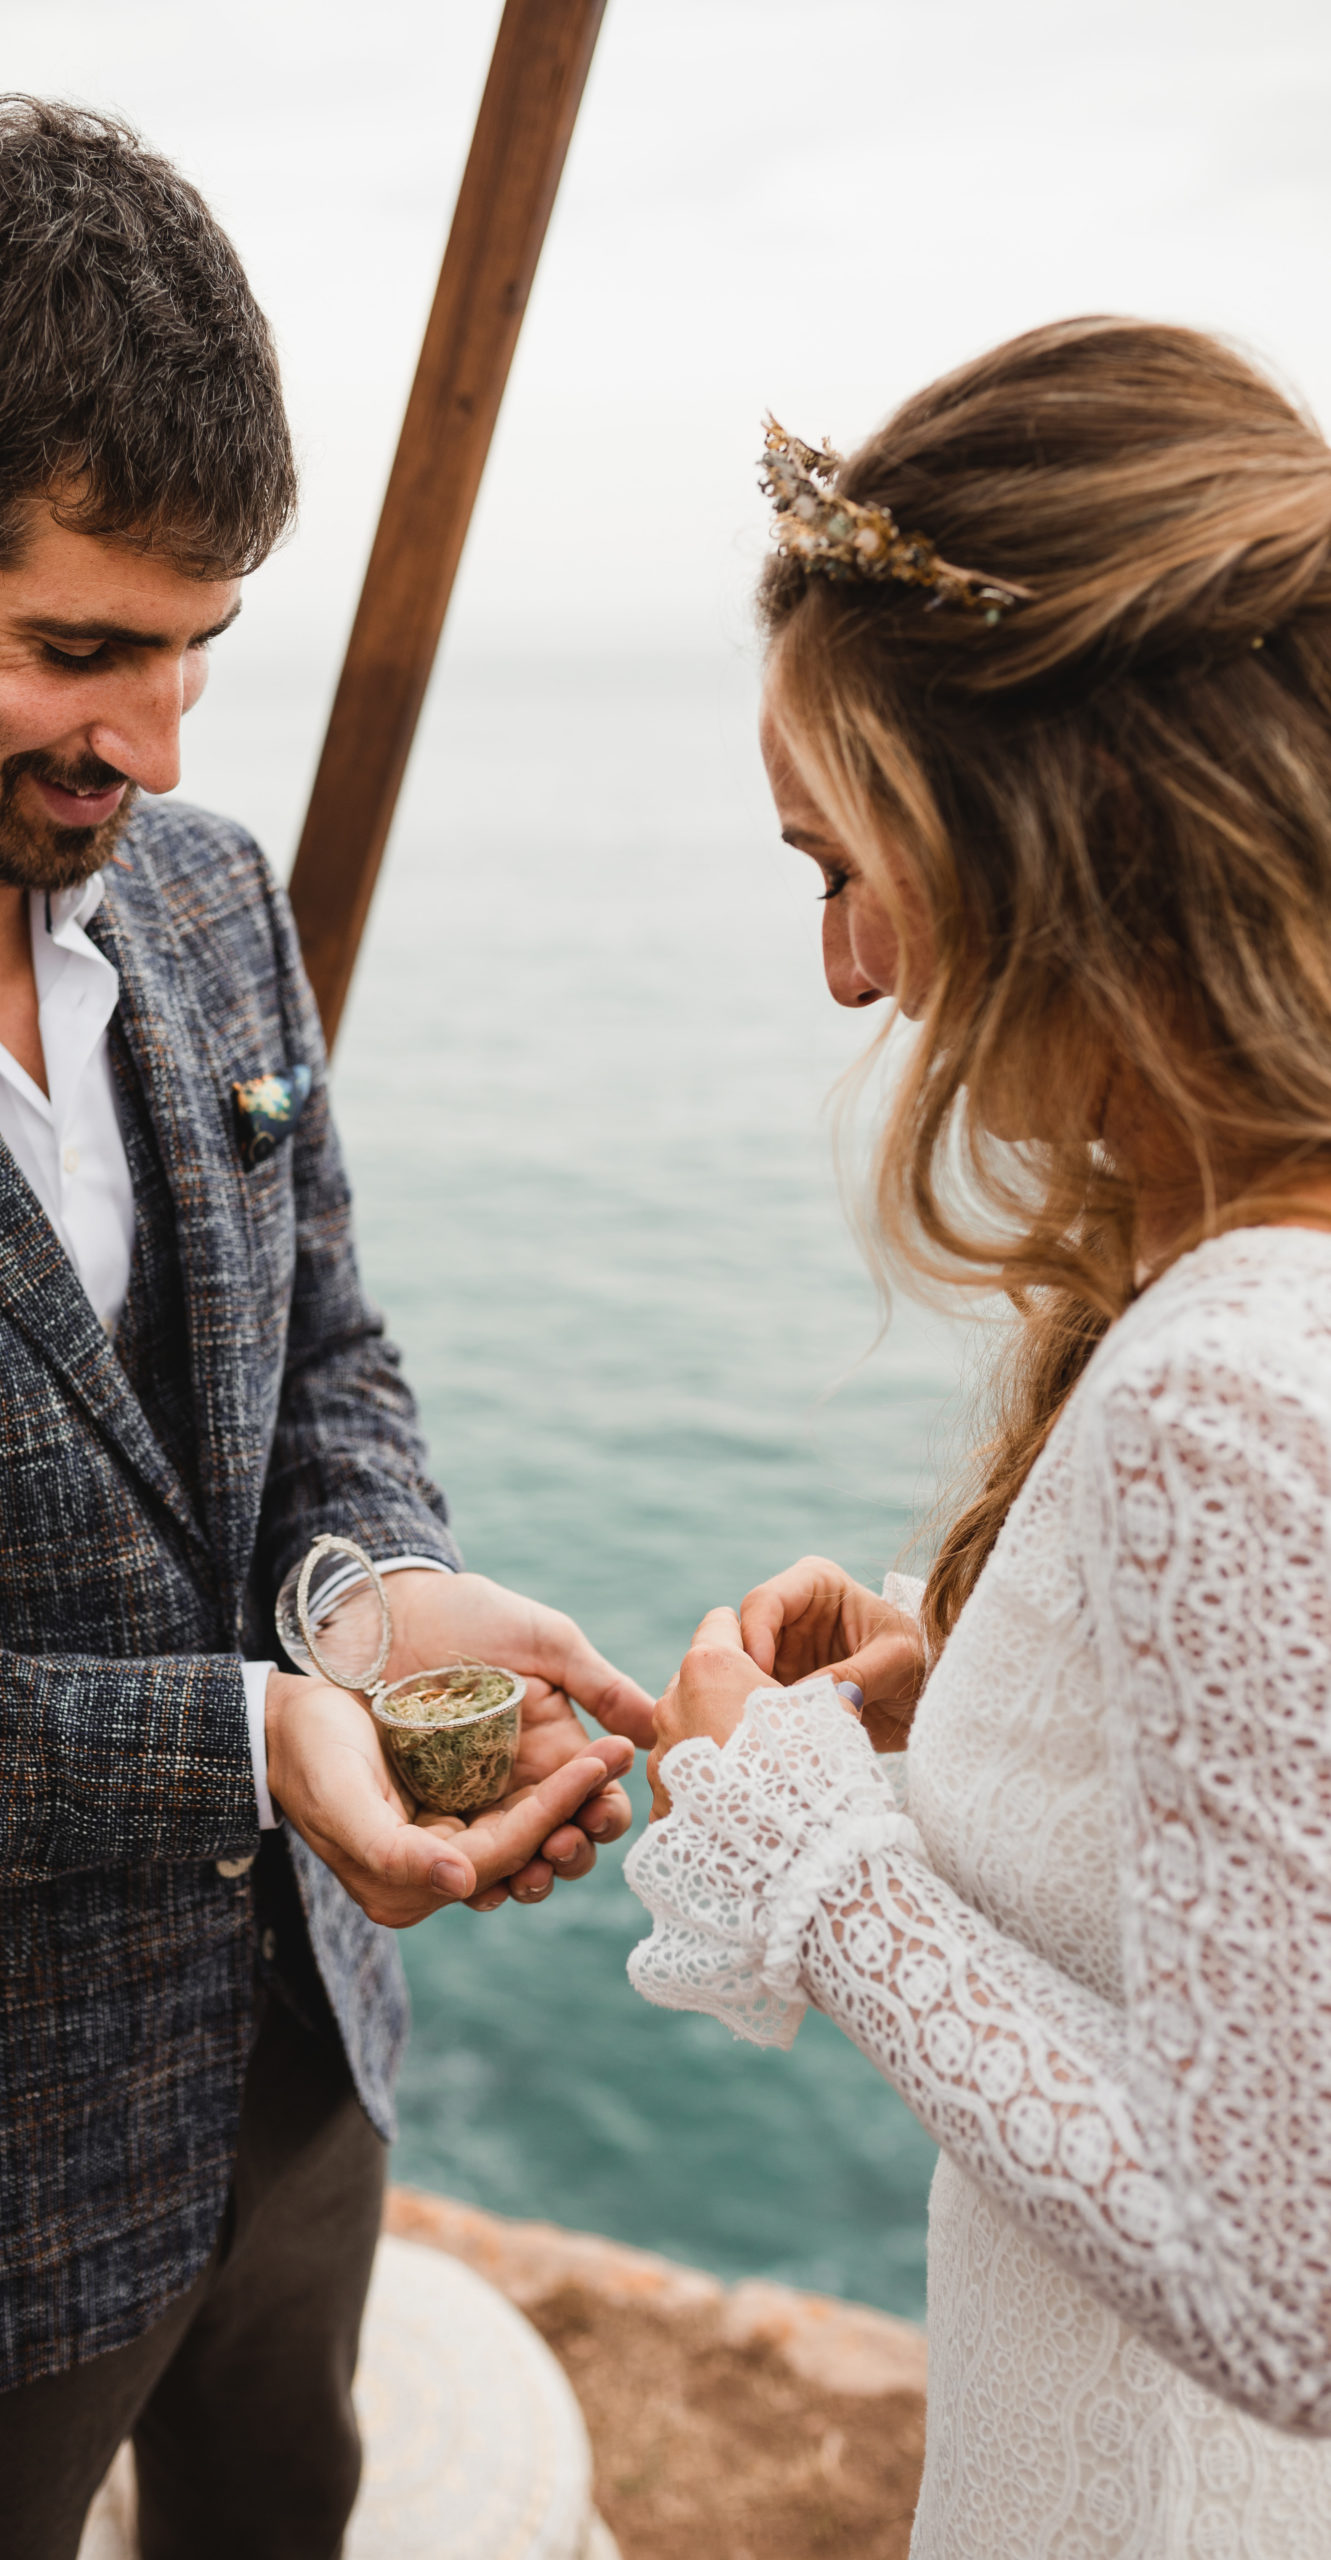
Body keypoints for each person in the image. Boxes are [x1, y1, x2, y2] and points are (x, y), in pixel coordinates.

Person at [0, 97, 653, 2559]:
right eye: (78, 651)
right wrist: (238, 1738)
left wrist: (367, 1602)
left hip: (302, 2087)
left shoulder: (201, 894)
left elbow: (324, 1377)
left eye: (195, 650)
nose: (157, 748)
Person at [626, 320, 1331, 2556]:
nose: (845, 968)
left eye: (847, 859)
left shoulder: (1222, 1387)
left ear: (1060, 830)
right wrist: (1008, 1682)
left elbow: (1276, 2270)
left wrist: (798, 1825)